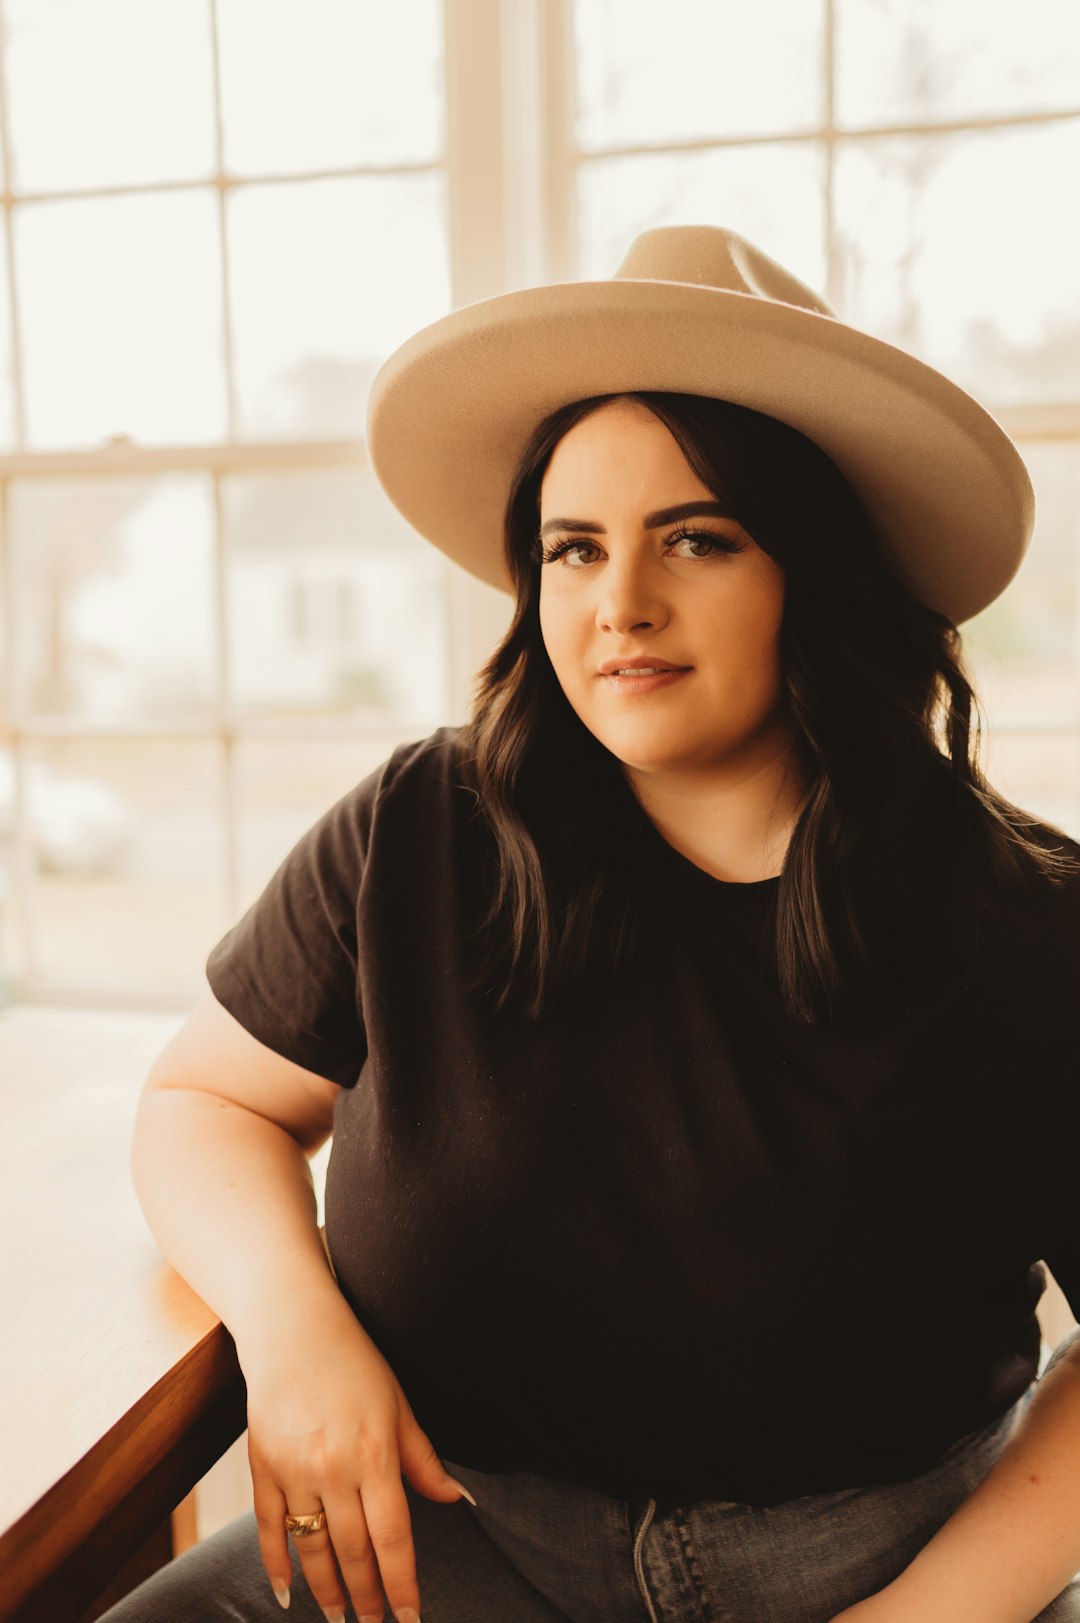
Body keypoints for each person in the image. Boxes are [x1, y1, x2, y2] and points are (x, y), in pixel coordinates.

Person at [99, 225, 1080, 1623]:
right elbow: (204, 1100)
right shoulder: (419, 828)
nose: (619, 606)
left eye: (697, 538)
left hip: (890, 1577)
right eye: (574, 549)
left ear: (821, 570)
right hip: (444, 1547)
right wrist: (296, 1331)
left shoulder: (1027, 924)